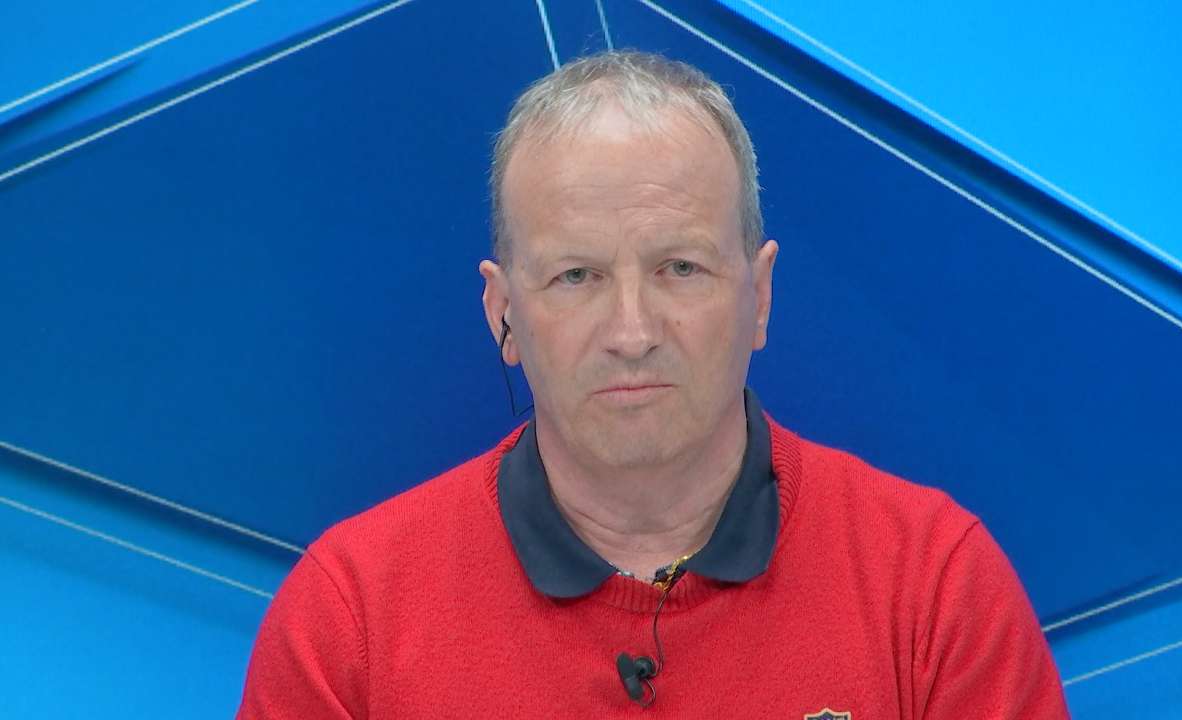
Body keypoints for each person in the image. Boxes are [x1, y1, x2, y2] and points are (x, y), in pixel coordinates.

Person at [237, 50, 1069, 718]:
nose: (632, 333)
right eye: (576, 276)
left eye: (680, 268)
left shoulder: (933, 587)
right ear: (503, 314)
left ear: (760, 296)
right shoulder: (350, 619)